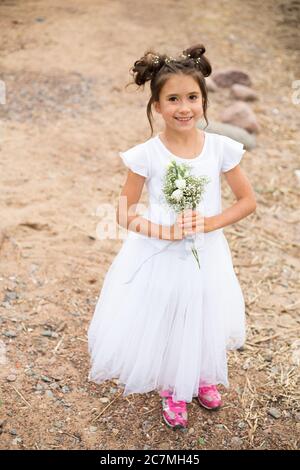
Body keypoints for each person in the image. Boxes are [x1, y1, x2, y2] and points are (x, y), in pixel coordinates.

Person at [88, 43, 257, 430]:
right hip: (159, 253)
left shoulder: (220, 148)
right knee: (167, 313)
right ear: (157, 106)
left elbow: (247, 201)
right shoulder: (147, 154)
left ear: (204, 100)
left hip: (207, 249)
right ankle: (172, 386)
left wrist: (209, 223)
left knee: (202, 307)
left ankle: (199, 376)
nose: (184, 107)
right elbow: (123, 211)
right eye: (174, 99)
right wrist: (163, 229)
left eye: (193, 97)